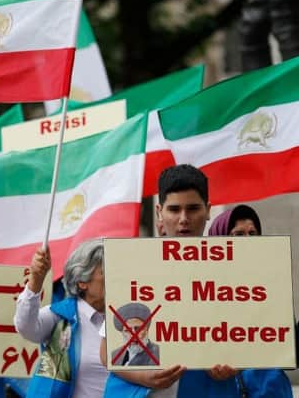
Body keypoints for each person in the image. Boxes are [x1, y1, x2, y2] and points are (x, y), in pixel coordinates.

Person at [100, 164, 240, 398]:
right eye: (174, 209)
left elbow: (254, 340)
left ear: (208, 210)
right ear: (159, 212)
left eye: (193, 209)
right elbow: (107, 352)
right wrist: (144, 377)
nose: (183, 219)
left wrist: (236, 364)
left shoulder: (235, 274)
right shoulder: (132, 267)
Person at [208, 204, 294, 398]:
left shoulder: (272, 286)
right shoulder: (203, 292)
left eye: (252, 234)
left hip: (271, 391)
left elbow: (286, 350)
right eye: (238, 235)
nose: (247, 241)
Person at [14, 239, 107, 398]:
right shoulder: (61, 316)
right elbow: (25, 327)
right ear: (83, 282)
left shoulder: (130, 319)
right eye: (106, 271)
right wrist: (36, 280)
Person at [110, 303, 161, 367]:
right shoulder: (115, 355)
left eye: (138, 329)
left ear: (146, 329)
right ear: (122, 333)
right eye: (127, 331)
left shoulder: (159, 354)